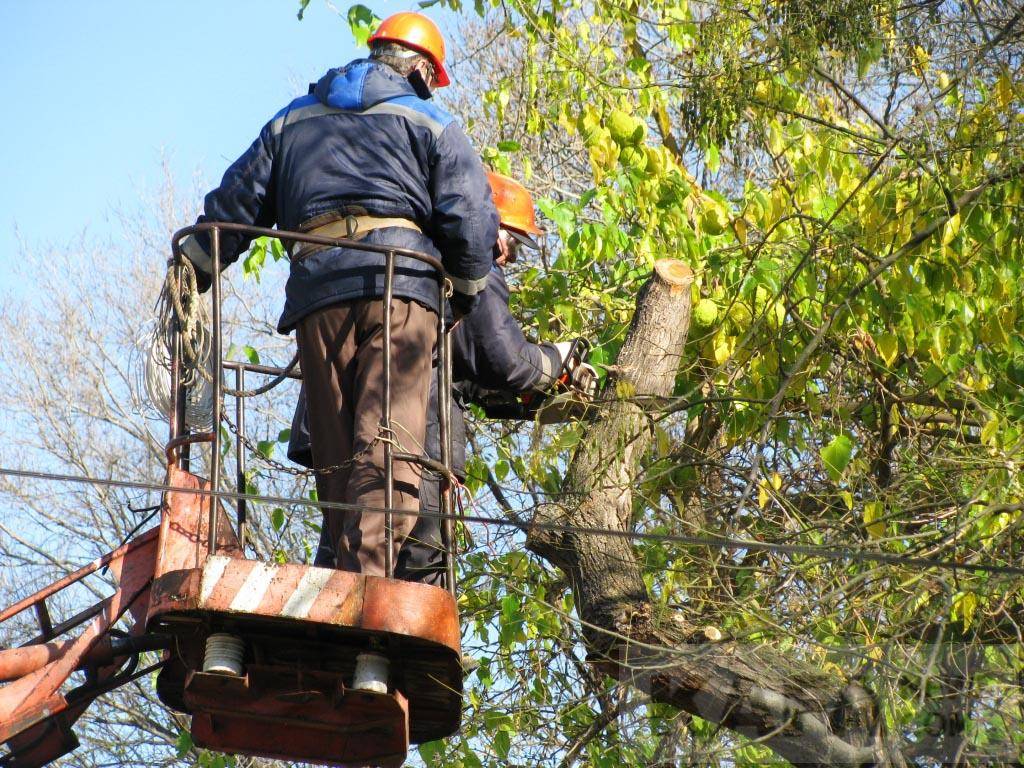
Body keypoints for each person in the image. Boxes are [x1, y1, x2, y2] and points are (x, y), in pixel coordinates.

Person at [179, 12, 498, 579]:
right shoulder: (432, 123)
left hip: (318, 297)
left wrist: (197, 263)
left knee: (337, 460)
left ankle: (344, 579)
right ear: (423, 69)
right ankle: (363, 595)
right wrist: (466, 295)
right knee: (389, 452)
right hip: (401, 292)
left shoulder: (291, 121)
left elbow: (239, 202)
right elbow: (469, 219)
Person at [289, 172, 594, 584]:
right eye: (513, 244)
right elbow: (501, 357)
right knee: (420, 565)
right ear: (490, 225)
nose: (509, 259)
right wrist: (555, 362)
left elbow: (463, 364)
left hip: (339, 422)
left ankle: (331, 635)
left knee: (345, 543)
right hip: (414, 434)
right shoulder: (465, 259)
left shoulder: (412, 254)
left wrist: (535, 402)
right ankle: (390, 641)